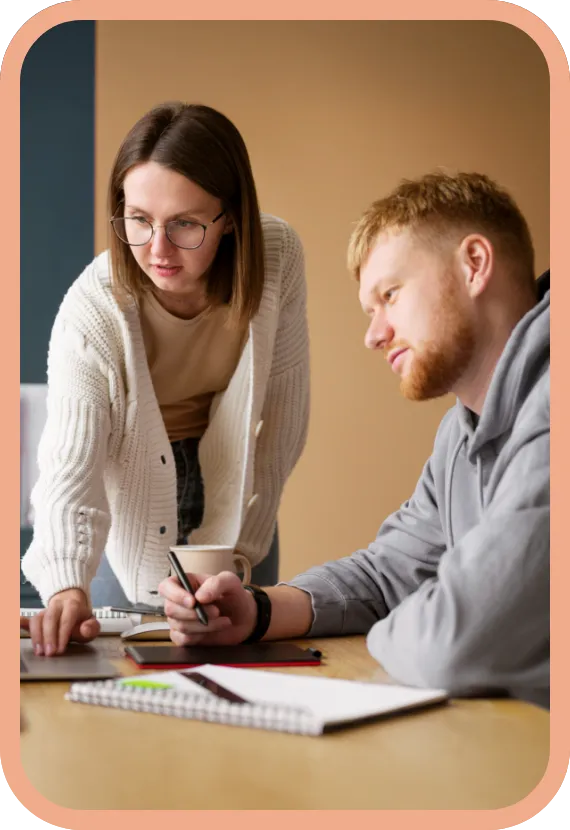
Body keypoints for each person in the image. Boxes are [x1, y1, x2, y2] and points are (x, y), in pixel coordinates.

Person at [159, 171, 550, 709]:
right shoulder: (460, 435)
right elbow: (387, 573)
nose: (373, 335)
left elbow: (452, 643)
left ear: (474, 264)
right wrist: (257, 610)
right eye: (371, 310)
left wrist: (408, 622)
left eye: (390, 295)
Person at [21, 102, 310, 656]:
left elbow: (284, 414)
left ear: (230, 217)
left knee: (238, 671)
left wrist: (242, 551)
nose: (157, 250)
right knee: (131, 672)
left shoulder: (277, 257)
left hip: (237, 483)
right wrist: (66, 581)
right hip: (130, 495)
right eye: (138, 219)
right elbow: (69, 460)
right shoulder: (94, 307)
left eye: (185, 224)